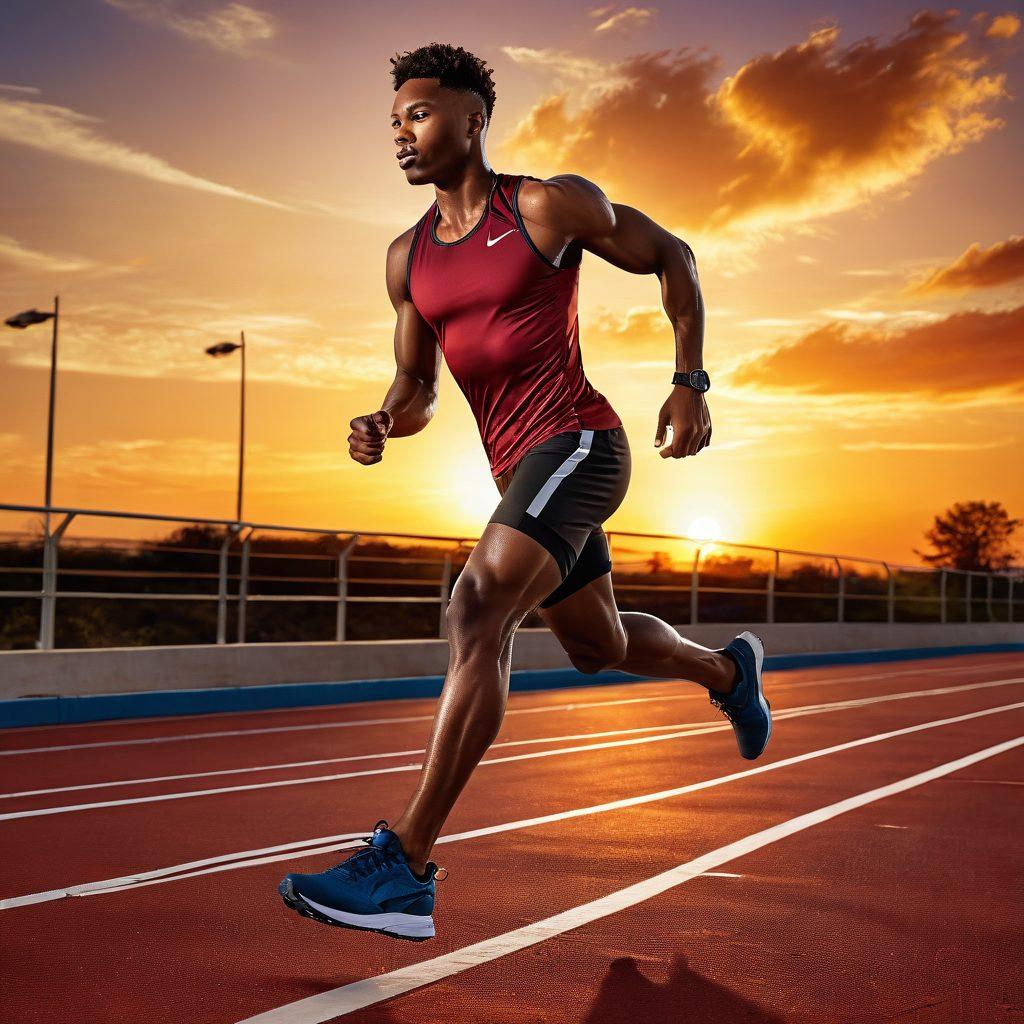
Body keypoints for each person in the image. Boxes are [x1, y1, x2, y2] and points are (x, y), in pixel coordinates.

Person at [279, 42, 771, 943]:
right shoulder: (407, 259)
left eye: (419, 115)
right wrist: (384, 421)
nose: (401, 134)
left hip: (582, 444)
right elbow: (418, 388)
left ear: (472, 119)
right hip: (520, 475)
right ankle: (727, 671)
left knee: (477, 609)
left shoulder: (544, 206)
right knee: (600, 645)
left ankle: (407, 867)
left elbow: (675, 255)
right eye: (393, 121)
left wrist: (691, 382)